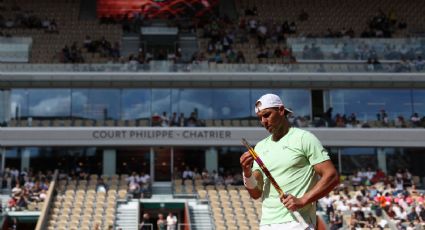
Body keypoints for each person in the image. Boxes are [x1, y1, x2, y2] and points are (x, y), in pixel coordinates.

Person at [240, 93, 339, 230]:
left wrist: (303, 200)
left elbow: (331, 176)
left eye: (267, 115)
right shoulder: (260, 147)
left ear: (281, 111)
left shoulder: (304, 138)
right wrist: (246, 172)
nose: (263, 121)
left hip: (298, 223)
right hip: (267, 224)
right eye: (260, 118)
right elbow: (256, 193)